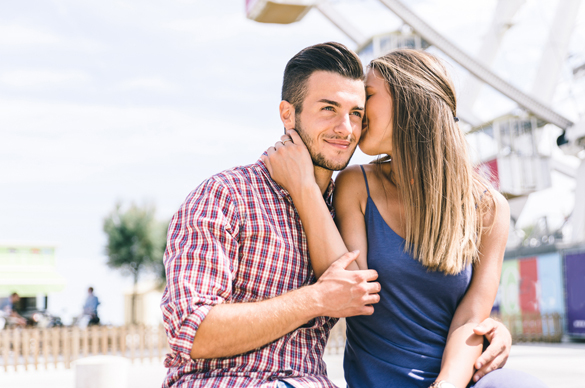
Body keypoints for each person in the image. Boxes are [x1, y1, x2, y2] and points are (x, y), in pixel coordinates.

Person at [160, 42, 512, 388]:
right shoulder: (226, 196)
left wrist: (486, 330)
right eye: (329, 108)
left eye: (358, 110)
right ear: (288, 113)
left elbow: (449, 309)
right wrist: (317, 298)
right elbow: (191, 331)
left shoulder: (335, 203)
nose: (347, 127)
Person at [263, 48, 548, 388]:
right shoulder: (356, 184)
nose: (359, 112)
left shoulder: (489, 208)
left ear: (408, 102)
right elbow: (351, 288)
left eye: (367, 97)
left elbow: (471, 318)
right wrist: (305, 189)